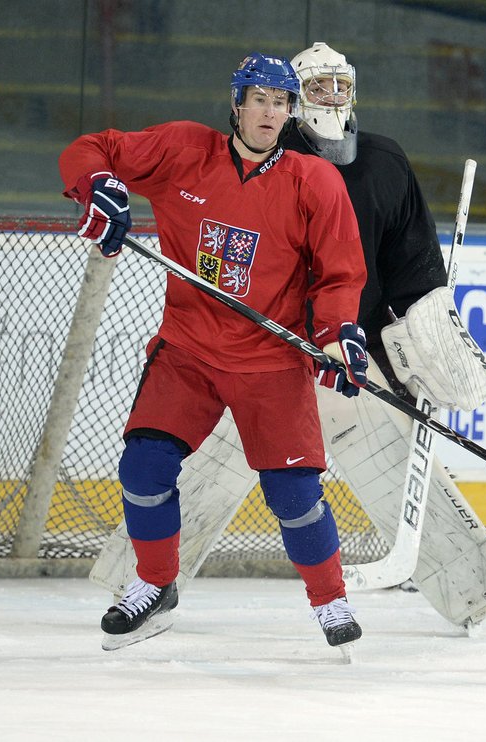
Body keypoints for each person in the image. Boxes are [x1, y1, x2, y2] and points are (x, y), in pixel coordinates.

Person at [90, 41, 486, 629]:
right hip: (219, 350)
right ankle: (143, 583)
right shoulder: (250, 151)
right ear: (240, 105)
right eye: (312, 89)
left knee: (303, 490)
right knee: (155, 466)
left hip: (321, 356)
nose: (324, 101)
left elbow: (396, 263)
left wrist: (409, 333)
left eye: (337, 87)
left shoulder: (381, 162)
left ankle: (465, 592)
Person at [59, 52, 371, 653]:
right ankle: (155, 586)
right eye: (260, 99)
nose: (271, 113)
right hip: (189, 349)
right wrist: (98, 187)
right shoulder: (182, 151)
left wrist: (339, 334)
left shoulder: (315, 181)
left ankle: (330, 599)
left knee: (295, 496)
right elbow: (90, 148)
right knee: (143, 469)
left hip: (272, 359)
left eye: (282, 102)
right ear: (237, 103)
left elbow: (339, 274)